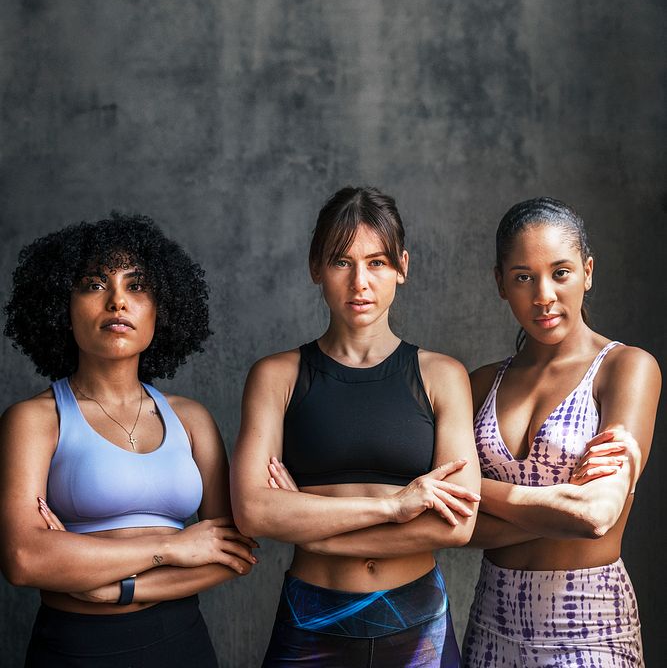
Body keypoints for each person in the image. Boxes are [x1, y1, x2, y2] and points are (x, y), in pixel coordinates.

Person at [231, 186, 481, 667]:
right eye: (341, 262)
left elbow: (457, 523)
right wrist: (396, 506)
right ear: (315, 268)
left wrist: (310, 527)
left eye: (378, 262)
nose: (359, 282)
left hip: (418, 623)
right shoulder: (276, 377)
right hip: (313, 621)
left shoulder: (441, 376)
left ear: (402, 267)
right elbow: (253, 511)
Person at [0, 213, 257, 668]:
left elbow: (231, 553)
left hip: (183, 643)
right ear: (62, 304)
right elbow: (23, 557)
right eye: (94, 284)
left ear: (163, 306)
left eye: (137, 285)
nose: (118, 301)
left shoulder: (191, 418)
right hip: (75, 648)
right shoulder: (34, 420)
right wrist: (171, 548)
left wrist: (117, 588)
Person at [462, 197, 661, 668]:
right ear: (500, 283)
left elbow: (595, 515)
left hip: (589, 623)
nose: (544, 295)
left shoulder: (625, 368)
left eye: (561, 272)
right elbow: (452, 529)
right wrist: (558, 504)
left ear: (588, 272)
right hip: (490, 623)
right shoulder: (481, 383)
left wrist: (467, 490)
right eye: (523, 277)